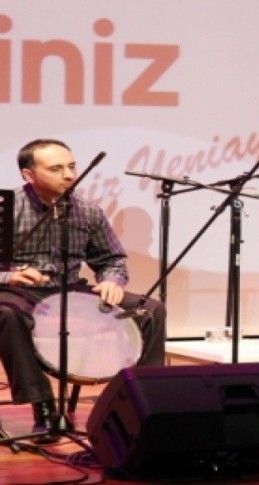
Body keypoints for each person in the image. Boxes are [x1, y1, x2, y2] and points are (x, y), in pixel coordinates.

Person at [0, 139, 166, 442]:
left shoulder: (87, 211)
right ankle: (44, 407)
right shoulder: (7, 209)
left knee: (150, 309)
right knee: (7, 315)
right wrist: (11, 275)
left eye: (71, 167)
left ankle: (145, 400)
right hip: (19, 292)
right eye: (56, 168)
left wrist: (111, 280)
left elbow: (112, 259)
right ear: (28, 175)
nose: (68, 175)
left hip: (71, 290)